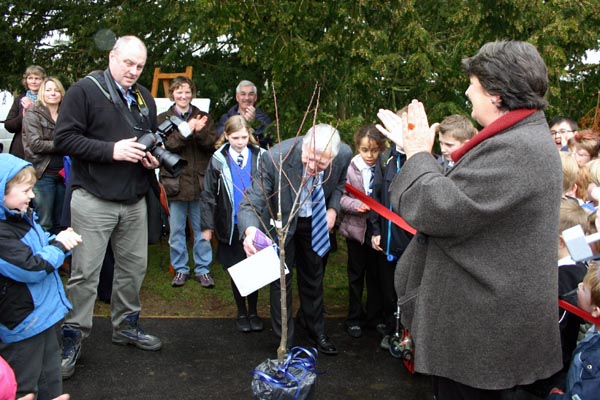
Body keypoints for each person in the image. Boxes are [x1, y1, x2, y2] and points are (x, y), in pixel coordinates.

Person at [376, 40, 563, 397]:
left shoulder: (518, 149)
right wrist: (412, 150)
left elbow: (438, 209)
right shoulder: (519, 139)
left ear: (496, 94)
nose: (467, 91)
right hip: (484, 331)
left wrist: (416, 153)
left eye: (473, 84)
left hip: (484, 338)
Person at [54, 35, 162, 380]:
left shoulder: (145, 97)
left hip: (134, 200)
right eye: (128, 63)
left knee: (133, 270)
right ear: (112, 56)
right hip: (93, 199)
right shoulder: (83, 91)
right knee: (85, 273)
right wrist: (111, 151)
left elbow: (152, 136)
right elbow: (64, 140)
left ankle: (125, 326)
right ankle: (72, 336)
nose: (133, 70)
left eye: (140, 65)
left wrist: (151, 159)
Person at [238, 124, 352, 355]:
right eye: (308, 159)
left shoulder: (344, 154)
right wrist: (250, 230)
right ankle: (285, 342)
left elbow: (339, 184)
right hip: (283, 225)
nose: (312, 167)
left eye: (320, 164)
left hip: (315, 221)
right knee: (281, 281)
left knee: (314, 276)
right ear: (304, 146)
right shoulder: (275, 158)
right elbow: (252, 201)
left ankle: (315, 331)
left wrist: (332, 209)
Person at [0, 153, 81, 399]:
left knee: (51, 378)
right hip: (22, 324)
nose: (32, 195)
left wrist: (55, 240)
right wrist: (58, 247)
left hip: (40, 317)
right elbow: (31, 267)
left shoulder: (22, 217)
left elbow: (38, 244)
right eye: (26, 190)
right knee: (24, 386)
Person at [201, 115, 266, 332]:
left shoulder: (261, 158)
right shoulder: (218, 160)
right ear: (226, 136)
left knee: (255, 270)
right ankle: (241, 311)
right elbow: (208, 195)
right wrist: (207, 227)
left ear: (250, 136)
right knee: (238, 271)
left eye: (244, 137)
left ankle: (254, 311)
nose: (240, 142)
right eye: (235, 138)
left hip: (255, 223)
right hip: (230, 225)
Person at [158, 76, 218, 288]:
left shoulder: (204, 116)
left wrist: (199, 132)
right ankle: (181, 269)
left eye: (187, 91)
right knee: (176, 231)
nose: (183, 96)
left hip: (200, 183)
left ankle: (203, 269)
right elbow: (167, 146)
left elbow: (213, 144)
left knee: (202, 230)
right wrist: (186, 130)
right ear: (172, 94)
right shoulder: (162, 118)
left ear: (193, 93)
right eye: (179, 91)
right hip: (175, 183)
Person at [338, 125, 386, 339]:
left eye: (374, 150)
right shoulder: (349, 168)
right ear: (358, 147)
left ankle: (374, 317)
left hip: (377, 230)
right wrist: (355, 205)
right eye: (365, 150)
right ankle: (354, 317)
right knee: (356, 274)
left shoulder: (384, 167)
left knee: (376, 275)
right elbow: (339, 197)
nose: (369, 155)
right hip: (356, 229)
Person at [548, 264, 600, 399]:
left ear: (596, 311)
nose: (579, 285)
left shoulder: (595, 357)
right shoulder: (594, 331)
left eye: (584, 288)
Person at [21, 77, 66, 234]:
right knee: (44, 221)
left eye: (56, 90)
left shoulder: (67, 114)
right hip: (43, 173)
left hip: (65, 173)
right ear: (42, 93)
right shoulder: (33, 114)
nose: (53, 93)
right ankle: (40, 256)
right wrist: (64, 143)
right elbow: (36, 144)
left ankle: (58, 256)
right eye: (48, 90)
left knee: (61, 222)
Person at [4, 65, 46, 159]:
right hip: (20, 150)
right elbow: (8, 125)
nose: (33, 81)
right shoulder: (19, 99)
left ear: (43, 80)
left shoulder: (49, 99)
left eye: (37, 78)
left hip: (42, 149)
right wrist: (23, 115)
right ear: (26, 80)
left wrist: (34, 110)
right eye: (30, 78)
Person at [217, 80, 272, 148]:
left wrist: (253, 125)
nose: (247, 98)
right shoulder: (227, 117)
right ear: (237, 97)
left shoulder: (264, 119)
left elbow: (267, 141)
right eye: (243, 94)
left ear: (255, 98)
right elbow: (219, 136)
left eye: (251, 94)